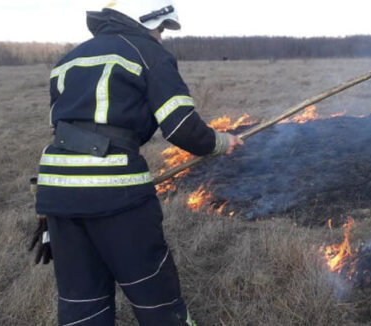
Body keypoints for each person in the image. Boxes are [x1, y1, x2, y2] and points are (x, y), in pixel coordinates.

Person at [31, 0, 242, 325]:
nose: (161, 37)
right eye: (160, 29)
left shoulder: (69, 59)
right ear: (142, 19)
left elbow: (62, 129)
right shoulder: (147, 52)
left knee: (82, 305)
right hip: (117, 195)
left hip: (56, 195)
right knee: (156, 297)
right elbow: (181, 126)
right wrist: (221, 142)